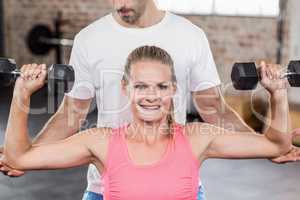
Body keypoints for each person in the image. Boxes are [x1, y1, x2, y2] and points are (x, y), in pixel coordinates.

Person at [1, 1, 300, 200]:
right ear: (125, 87)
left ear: (172, 89)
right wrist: (29, 154)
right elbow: (73, 111)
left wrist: (262, 146)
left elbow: (213, 107)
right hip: (105, 183)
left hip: (177, 178)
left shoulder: (189, 36)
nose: (120, 5)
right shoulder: (89, 38)